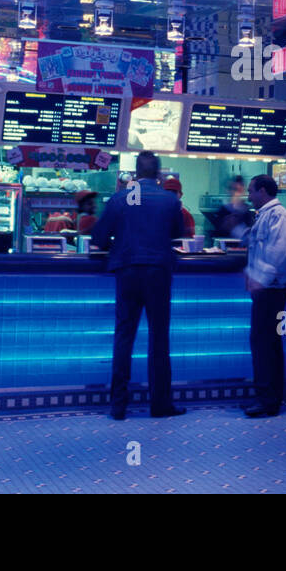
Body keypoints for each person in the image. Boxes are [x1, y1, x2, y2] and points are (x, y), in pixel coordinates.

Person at [91, 151, 186, 420]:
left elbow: (98, 238)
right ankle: (160, 405)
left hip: (127, 271)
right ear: (157, 174)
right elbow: (178, 237)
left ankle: (118, 406)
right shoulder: (170, 201)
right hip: (158, 272)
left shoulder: (119, 198)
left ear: (134, 173)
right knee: (159, 339)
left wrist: (118, 246)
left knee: (124, 336)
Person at [242, 174, 286, 418]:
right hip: (267, 288)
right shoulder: (265, 215)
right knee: (265, 342)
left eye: (251, 191)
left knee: (264, 343)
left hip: (272, 289)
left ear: (263, 191)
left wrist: (259, 278)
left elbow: (279, 252)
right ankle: (267, 397)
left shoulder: (278, 216)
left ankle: (268, 400)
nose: (249, 196)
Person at [210, 175, 254, 241]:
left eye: (238, 190)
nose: (234, 193)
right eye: (231, 189)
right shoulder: (223, 211)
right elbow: (216, 235)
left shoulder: (248, 211)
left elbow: (251, 236)